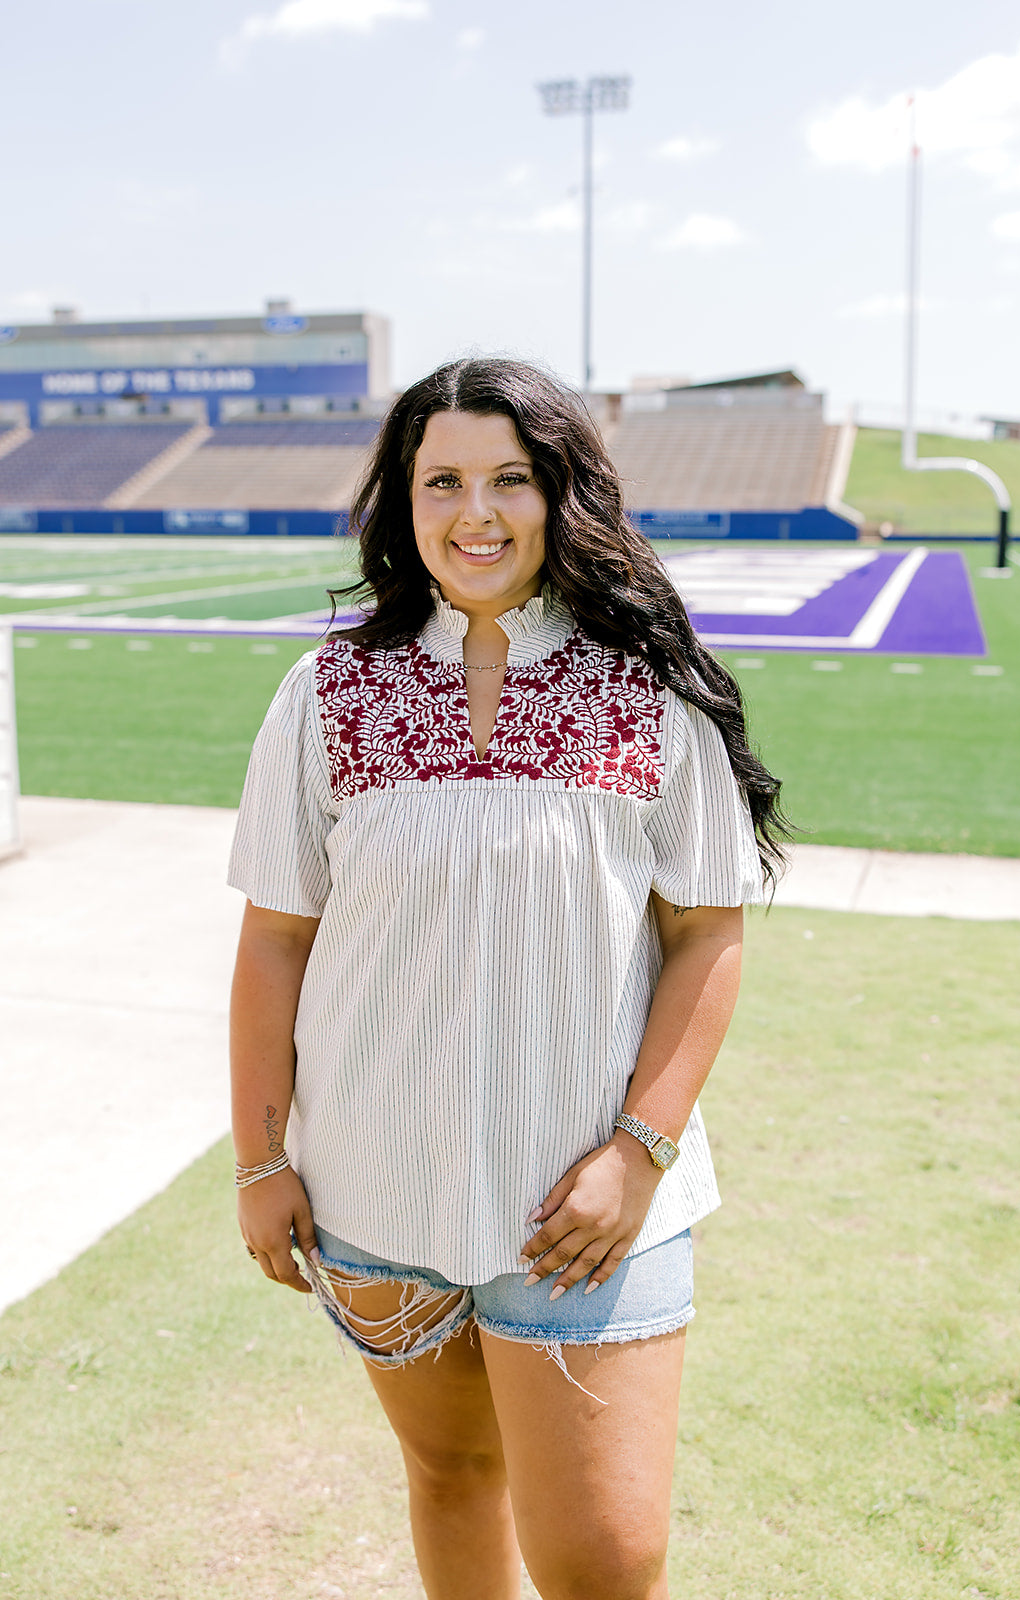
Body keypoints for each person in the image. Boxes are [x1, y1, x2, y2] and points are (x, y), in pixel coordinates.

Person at [228, 357, 787, 1600]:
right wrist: (261, 1160)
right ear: (401, 502)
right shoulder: (325, 693)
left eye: (507, 479)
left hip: (586, 1205)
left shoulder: (648, 688)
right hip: (375, 1189)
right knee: (449, 1477)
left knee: (602, 1558)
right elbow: (275, 937)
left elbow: (706, 930)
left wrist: (635, 1152)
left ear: (560, 494)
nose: (472, 512)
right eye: (441, 481)